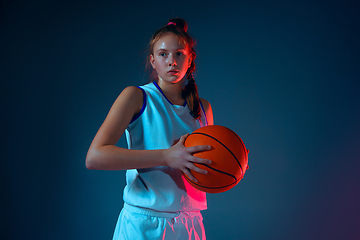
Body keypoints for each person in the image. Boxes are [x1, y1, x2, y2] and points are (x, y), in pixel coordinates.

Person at [86, 17, 214, 240]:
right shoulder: (136, 97)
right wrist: (166, 156)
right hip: (144, 224)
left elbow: (205, 167)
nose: (171, 61)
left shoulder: (203, 108)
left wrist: (233, 163)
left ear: (190, 58)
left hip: (190, 224)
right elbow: (95, 157)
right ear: (153, 61)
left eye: (179, 54)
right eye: (163, 54)